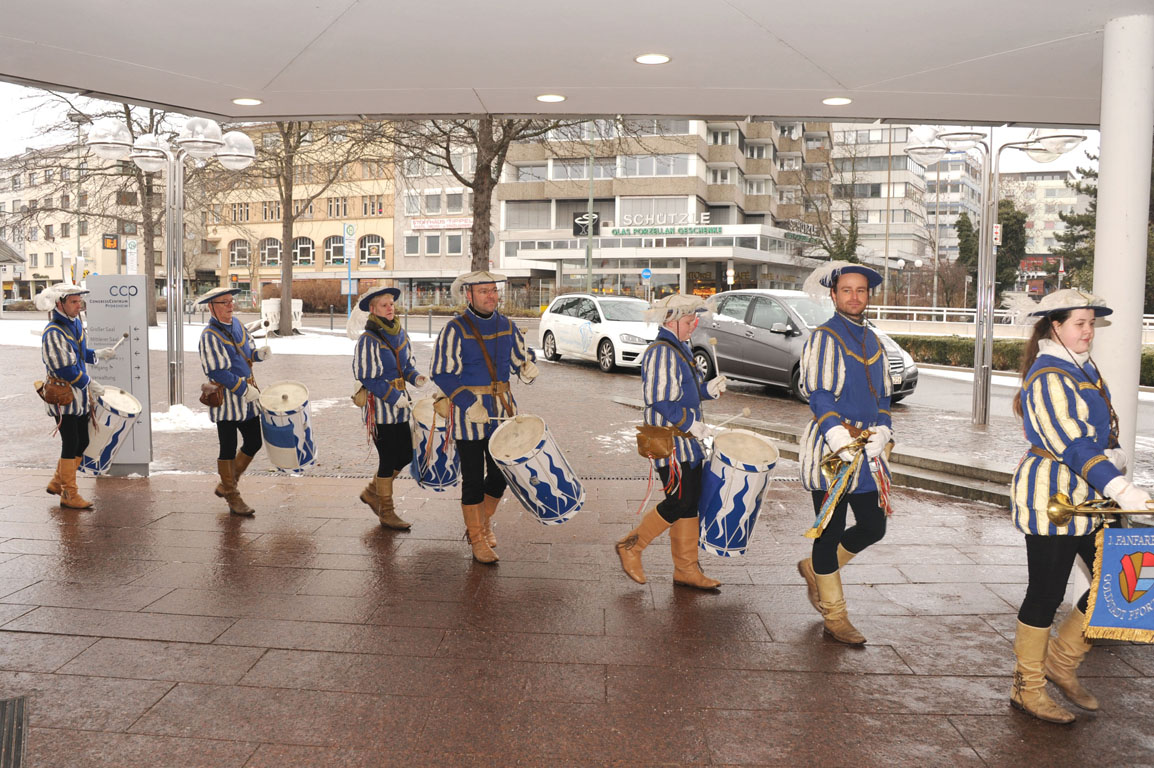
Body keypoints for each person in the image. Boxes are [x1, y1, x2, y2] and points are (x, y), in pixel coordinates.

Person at [1007, 288, 1149, 724]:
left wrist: (1116, 458)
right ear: (1056, 326)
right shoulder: (1050, 373)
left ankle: (1061, 662)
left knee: (1131, 578)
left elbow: (1101, 431)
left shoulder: (1081, 366)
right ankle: (1027, 687)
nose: (1088, 331)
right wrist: (1121, 486)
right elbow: (1072, 443)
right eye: (1079, 323)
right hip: (1055, 498)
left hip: (1093, 497)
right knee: (1046, 594)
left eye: (1091, 322)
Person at [795, 262, 894, 645]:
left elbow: (884, 395)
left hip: (868, 452)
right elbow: (818, 395)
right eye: (847, 290)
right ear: (833, 295)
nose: (855, 297)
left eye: (862, 290)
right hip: (833, 450)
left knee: (874, 526)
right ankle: (834, 616)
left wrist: (883, 429)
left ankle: (815, 569)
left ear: (869, 296)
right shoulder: (824, 337)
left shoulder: (874, 340)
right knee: (830, 530)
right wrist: (838, 436)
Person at [615, 293, 726, 590]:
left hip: (685, 442)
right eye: (690, 321)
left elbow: (680, 393)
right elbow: (661, 400)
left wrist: (707, 391)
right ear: (672, 321)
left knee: (689, 503)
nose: (694, 325)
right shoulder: (662, 351)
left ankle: (686, 569)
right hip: (673, 443)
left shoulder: (678, 348)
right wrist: (693, 424)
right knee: (680, 501)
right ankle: (631, 546)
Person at [429, 271, 537, 563]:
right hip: (469, 416)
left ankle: (484, 522)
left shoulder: (507, 325)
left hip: (502, 412)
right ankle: (476, 537)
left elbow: (520, 357)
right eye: (484, 291)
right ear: (468, 295)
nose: (491, 296)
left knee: (501, 474)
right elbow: (441, 372)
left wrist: (527, 366)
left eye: (493, 290)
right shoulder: (455, 329)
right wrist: (466, 402)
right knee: (474, 479)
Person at [353, 285, 428, 529]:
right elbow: (366, 376)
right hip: (381, 408)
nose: (390, 308)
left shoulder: (400, 334)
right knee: (387, 459)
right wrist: (393, 396)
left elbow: (406, 366)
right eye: (384, 305)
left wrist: (415, 377)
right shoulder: (368, 339)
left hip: (401, 406)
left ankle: (372, 492)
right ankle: (386, 511)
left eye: (392, 304)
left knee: (406, 453)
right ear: (373, 310)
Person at [39, 284, 118, 509]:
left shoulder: (74, 324)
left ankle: (57, 482)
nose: (78, 305)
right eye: (73, 302)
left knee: (82, 440)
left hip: (78, 399)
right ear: (59, 304)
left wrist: (97, 354)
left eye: (79, 302)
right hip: (64, 398)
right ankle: (69, 493)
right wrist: (89, 383)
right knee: (71, 442)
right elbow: (64, 367)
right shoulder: (53, 331)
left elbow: (79, 354)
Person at [196, 286, 270, 516]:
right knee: (227, 446)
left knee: (254, 441)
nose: (230, 306)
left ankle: (227, 484)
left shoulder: (237, 324)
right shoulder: (209, 336)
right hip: (226, 399)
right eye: (223, 303)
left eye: (230, 301)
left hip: (248, 396)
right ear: (211, 307)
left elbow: (247, 349)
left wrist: (258, 355)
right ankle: (231, 494)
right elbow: (216, 371)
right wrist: (242, 389)